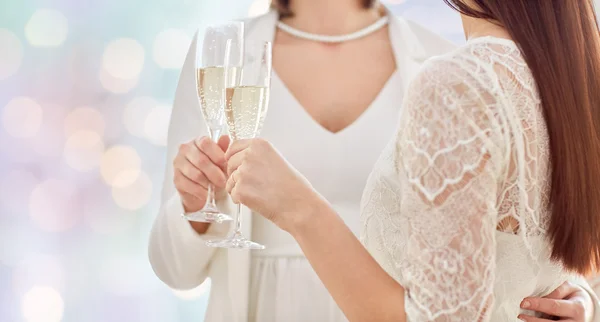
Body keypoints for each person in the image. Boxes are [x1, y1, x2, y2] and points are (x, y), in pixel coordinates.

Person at [148, 0, 600, 321]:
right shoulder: (223, 55)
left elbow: (518, 239)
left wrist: (574, 297)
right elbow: (173, 269)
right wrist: (194, 210)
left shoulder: (448, 61)